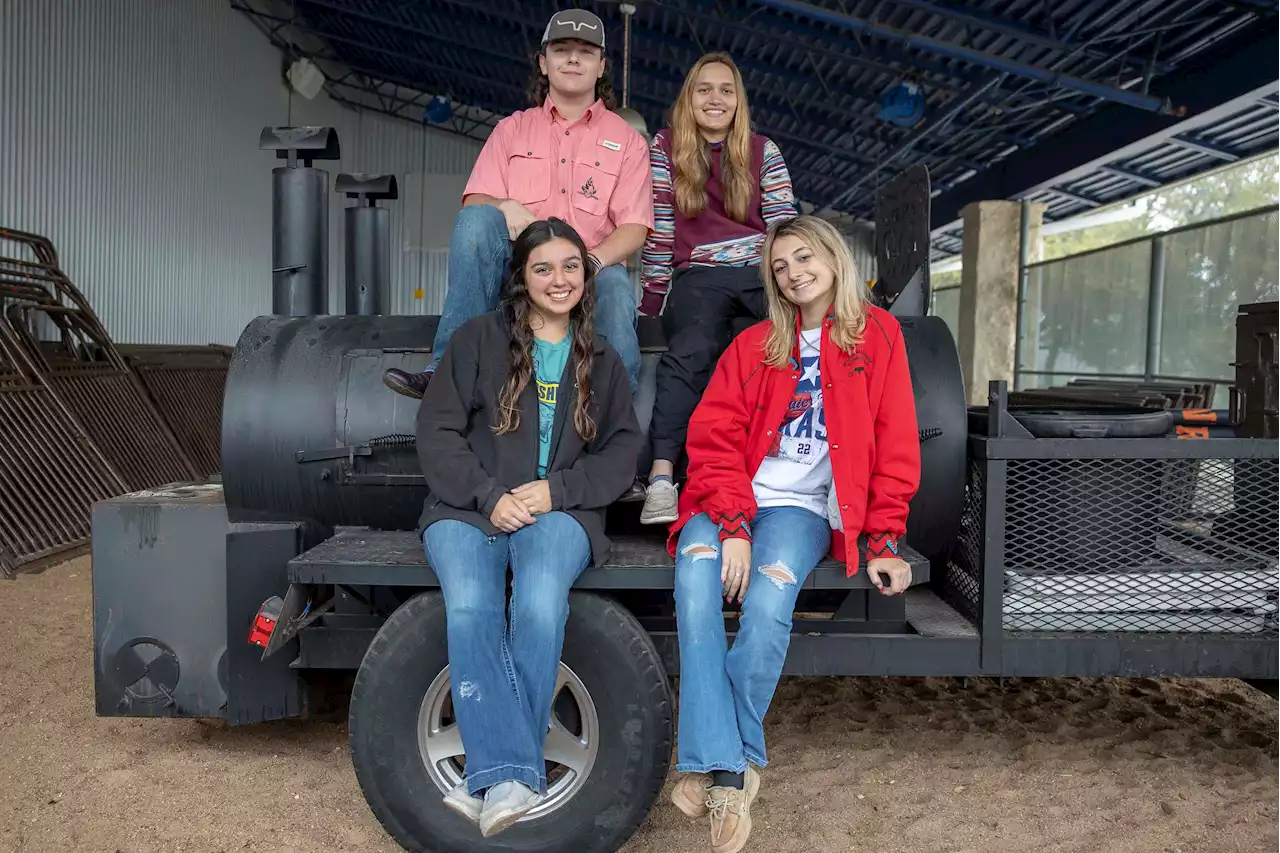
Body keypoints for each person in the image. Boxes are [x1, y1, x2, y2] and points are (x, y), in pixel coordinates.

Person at [664, 215, 921, 853]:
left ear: (833, 259)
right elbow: (713, 436)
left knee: (769, 605)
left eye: (803, 258)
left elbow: (895, 441)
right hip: (729, 501)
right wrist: (731, 524)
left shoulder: (878, 336)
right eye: (779, 267)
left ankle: (714, 763)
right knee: (696, 592)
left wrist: (885, 540)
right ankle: (732, 770)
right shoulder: (754, 345)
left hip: (802, 511)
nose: (793, 273)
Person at [415, 217, 643, 837]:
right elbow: (435, 433)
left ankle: (485, 778)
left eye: (571, 265)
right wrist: (488, 495)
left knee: (540, 605)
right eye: (543, 268)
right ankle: (508, 774)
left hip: (561, 512)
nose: (559, 279)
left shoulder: (601, 359)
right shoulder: (475, 341)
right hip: (467, 510)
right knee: (470, 610)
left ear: (586, 274)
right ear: (520, 277)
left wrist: (557, 491)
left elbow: (623, 453)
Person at [384, 8, 651, 400]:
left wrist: (590, 262)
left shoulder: (627, 141)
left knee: (616, 290)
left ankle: (613, 411)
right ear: (544, 63)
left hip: (592, 268)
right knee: (477, 220)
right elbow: (475, 201)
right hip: (519, 269)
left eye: (585, 51)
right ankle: (447, 371)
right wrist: (503, 205)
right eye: (561, 50)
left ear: (601, 66)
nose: (573, 58)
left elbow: (635, 226)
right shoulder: (512, 129)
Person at [636, 52, 798, 526]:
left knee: (789, 341)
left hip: (761, 270)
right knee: (691, 347)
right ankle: (663, 476)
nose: (715, 98)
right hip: (699, 274)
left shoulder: (763, 150)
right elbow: (661, 230)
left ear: (738, 100)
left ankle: (792, 468)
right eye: (704, 88)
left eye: (726, 90)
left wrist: (789, 285)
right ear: (690, 96)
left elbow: (784, 223)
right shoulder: (665, 147)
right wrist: (650, 305)